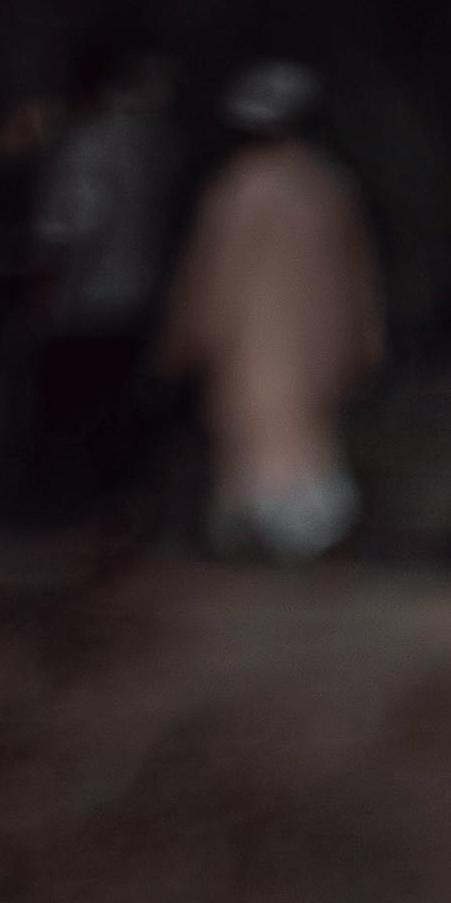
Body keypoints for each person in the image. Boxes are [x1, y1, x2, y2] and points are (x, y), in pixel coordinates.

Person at [159, 61, 384, 559]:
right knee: (288, 433)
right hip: (302, 340)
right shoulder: (327, 184)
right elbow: (360, 273)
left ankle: (281, 530)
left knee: (269, 432)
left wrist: (189, 332)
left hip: (258, 339)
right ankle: (282, 529)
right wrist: (363, 336)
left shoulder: (242, 189)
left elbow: (211, 272)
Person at [24, 41, 175, 518]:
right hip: (105, 302)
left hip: (105, 304)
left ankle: (92, 504)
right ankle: (93, 504)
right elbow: (73, 227)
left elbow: (70, 228)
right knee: (100, 411)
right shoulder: (117, 144)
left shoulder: (112, 143)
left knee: (94, 412)